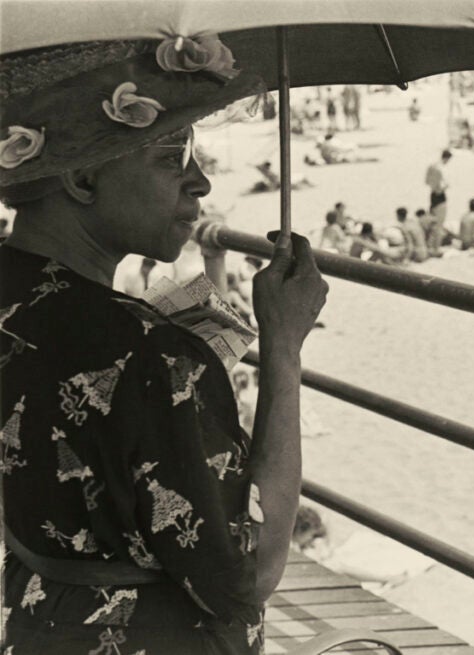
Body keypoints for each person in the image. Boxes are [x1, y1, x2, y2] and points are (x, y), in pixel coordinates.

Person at [0, 36, 328, 654]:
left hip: (38, 623)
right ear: (81, 174)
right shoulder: (153, 355)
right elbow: (246, 578)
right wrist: (284, 347)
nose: (199, 184)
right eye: (172, 157)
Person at [424, 150, 452, 255]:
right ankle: (436, 248)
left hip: (432, 195)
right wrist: (443, 187)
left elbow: (426, 181)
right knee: (439, 223)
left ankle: (429, 245)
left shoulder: (431, 166)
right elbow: (444, 184)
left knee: (432, 221)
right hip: (440, 195)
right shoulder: (442, 168)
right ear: (447, 158)